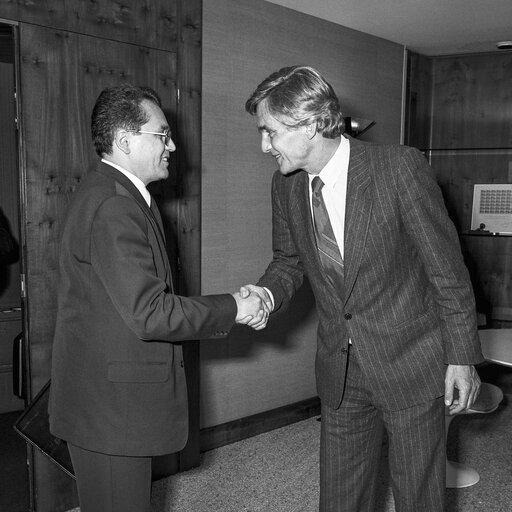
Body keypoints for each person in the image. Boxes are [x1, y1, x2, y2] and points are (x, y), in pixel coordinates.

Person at [241, 66, 483, 512]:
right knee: (339, 499)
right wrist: (266, 294)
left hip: (411, 362)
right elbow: (289, 261)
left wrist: (461, 356)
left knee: (418, 497)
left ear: (311, 124)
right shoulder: (286, 186)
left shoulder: (398, 167)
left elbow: (447, 270)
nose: (264, 145)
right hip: (340, 369)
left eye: (270, 132)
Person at [49, 84, 268, 512]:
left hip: (107, 406)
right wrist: (236, 307)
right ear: (125, 141)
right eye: (162, 134)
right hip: (110, 415)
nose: (173, 144)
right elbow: (150, 312)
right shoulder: (114, 206)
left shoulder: (114, 194)